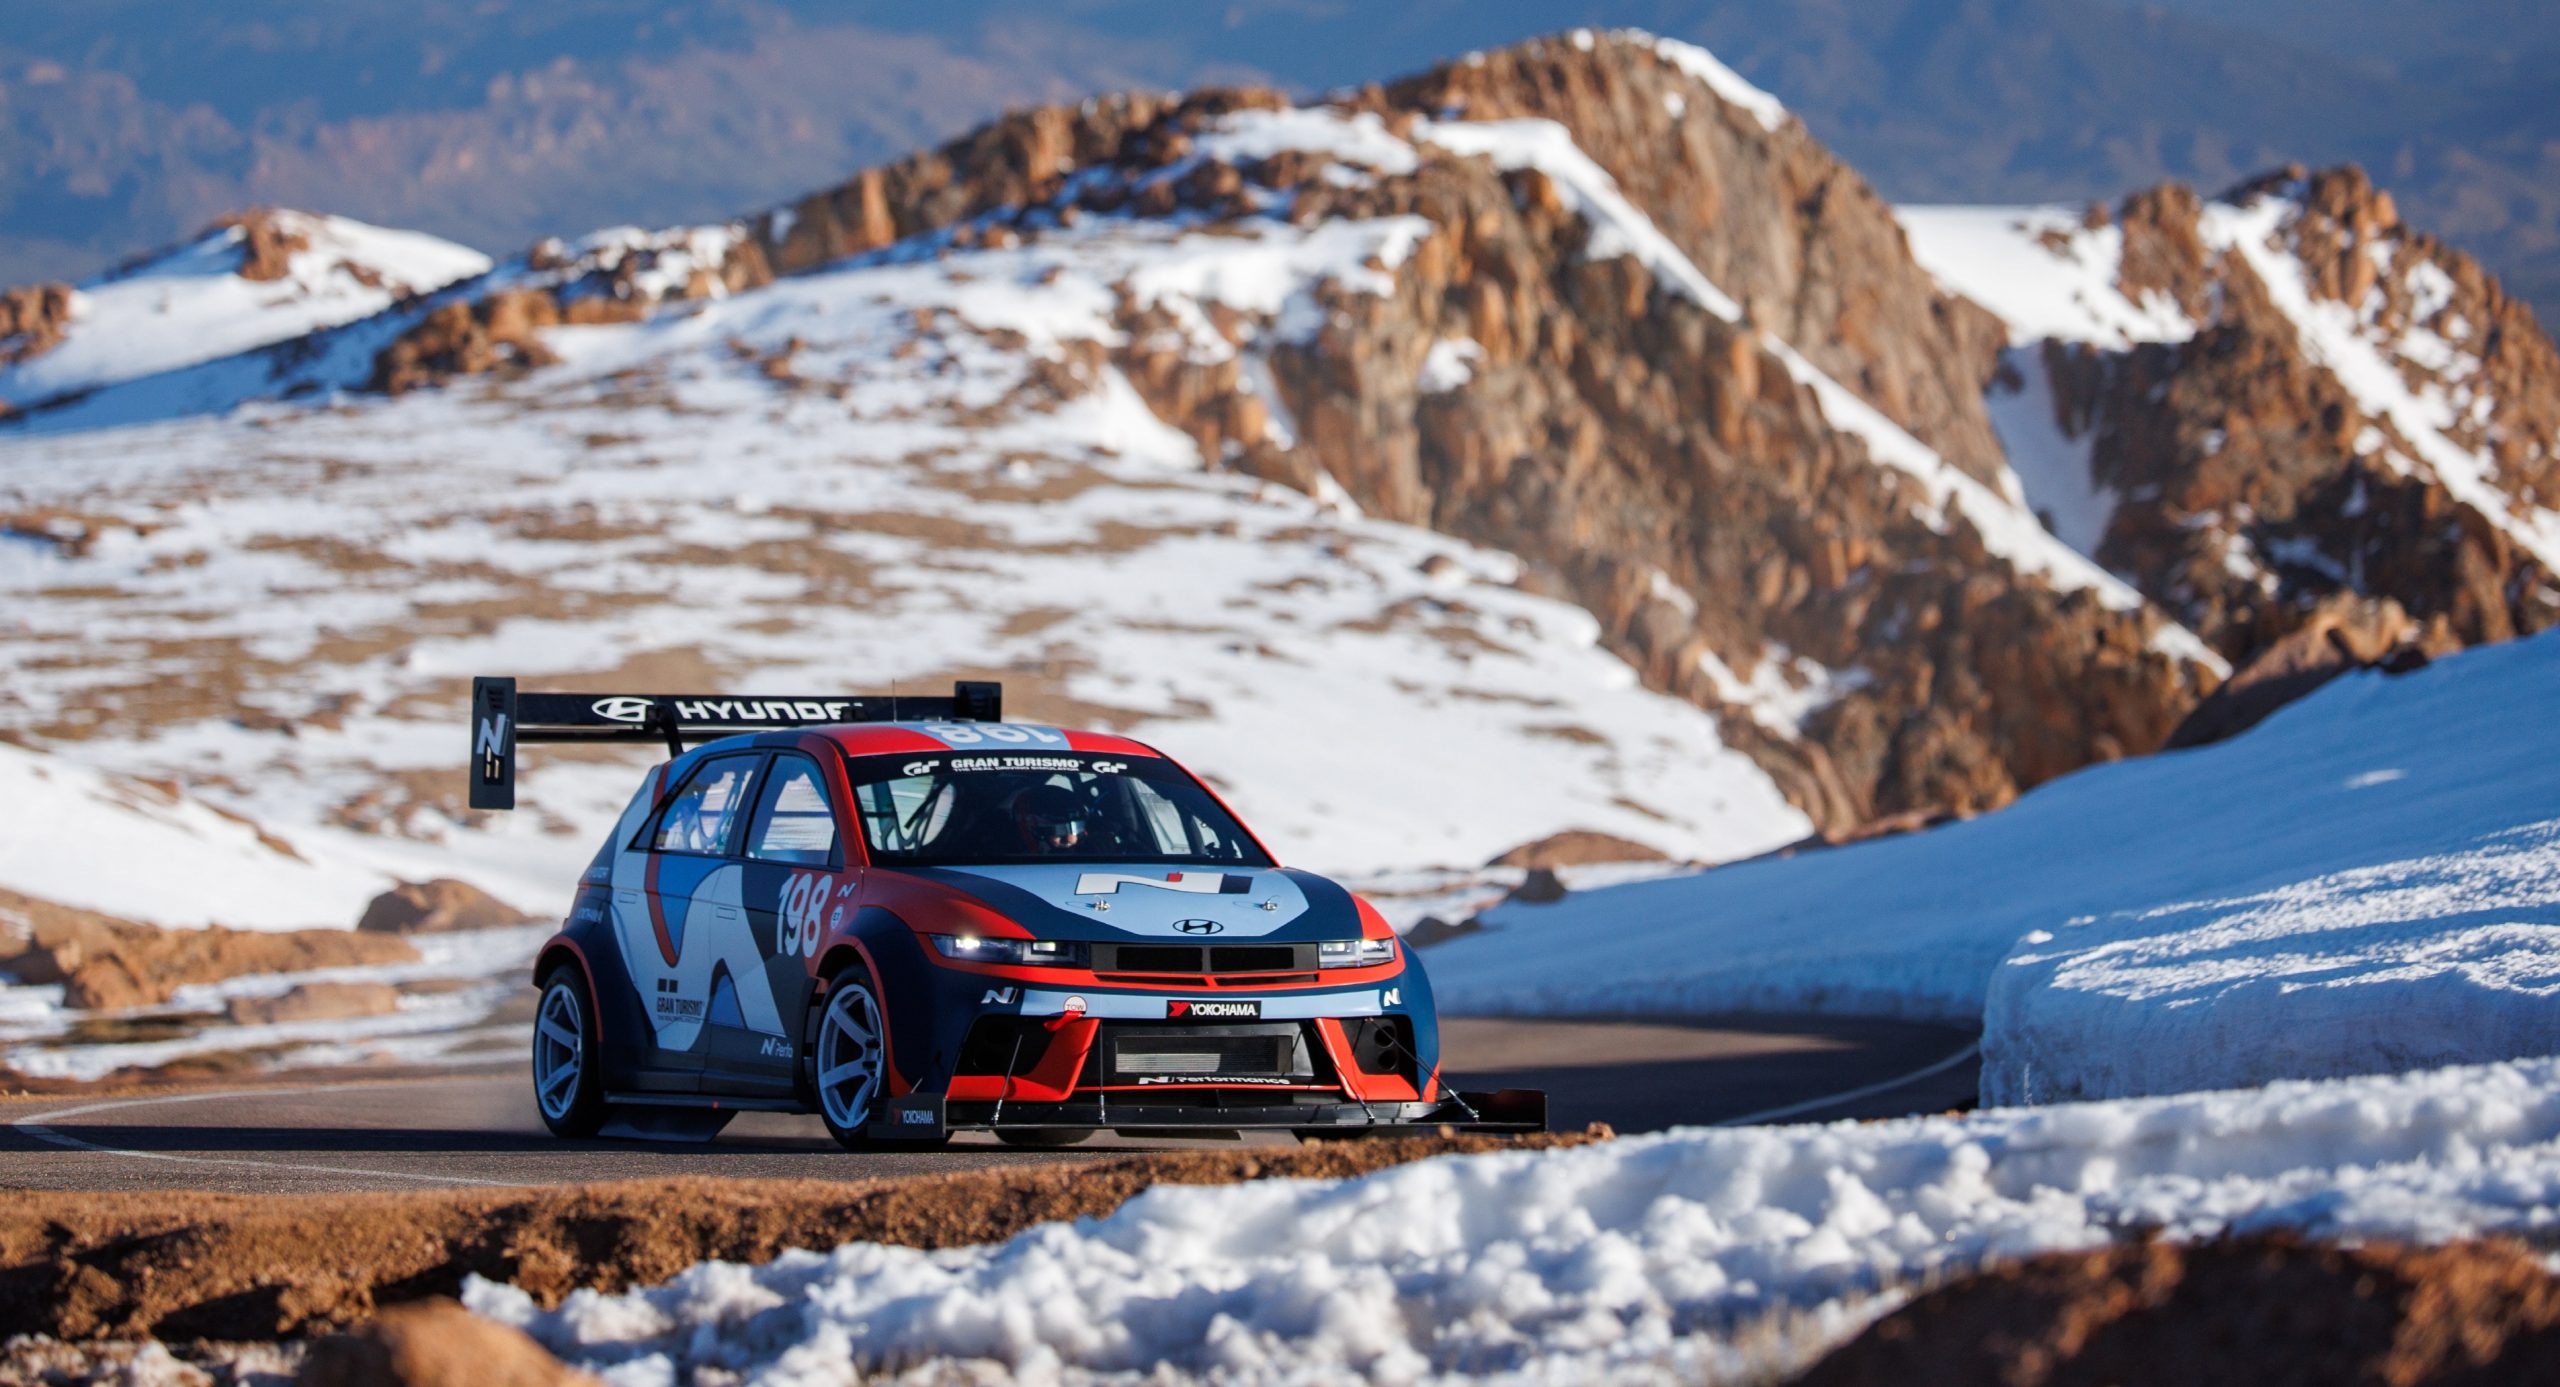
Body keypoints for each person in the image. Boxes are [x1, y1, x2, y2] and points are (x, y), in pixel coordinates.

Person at [1011, 783, 1088, 853]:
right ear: (1035, 830)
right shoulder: (1006, 862)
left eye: (1078, 828)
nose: (1071, 839)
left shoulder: (1096, 855)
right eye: (1061, 830)